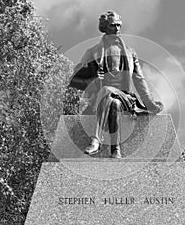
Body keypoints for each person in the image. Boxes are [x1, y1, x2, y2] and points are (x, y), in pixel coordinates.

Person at [69, 10, 163, 158]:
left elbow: (139, 80)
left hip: (126, 98)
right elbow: (74, 80)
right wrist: (93, 80)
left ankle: (95, 141)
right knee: (113, 103)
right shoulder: (92, 52)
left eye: (119, 25)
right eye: (113, 26)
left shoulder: (130, 53)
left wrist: (150, 104)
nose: (117, 29)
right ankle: (115, 149)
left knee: (107, 91)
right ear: (105, 27)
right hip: (104, 100)